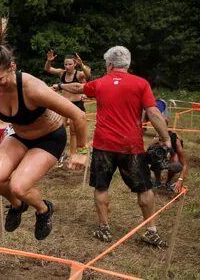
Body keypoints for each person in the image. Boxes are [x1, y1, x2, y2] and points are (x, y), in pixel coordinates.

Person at [0, 17, 88, 241]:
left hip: (49, 138)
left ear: (12, 68)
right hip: (19, 135)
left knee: (18, 186)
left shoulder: (32, 88)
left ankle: (44, 209)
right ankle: (17, 207)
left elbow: (78, 115)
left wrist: (81, 152)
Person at [56, 45, 171, 247]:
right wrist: (166, 138)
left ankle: (104, 228)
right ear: (127, 63)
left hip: (103, 144)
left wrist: (60, 86)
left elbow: (78, 88)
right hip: (132, 146)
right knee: (144, 188)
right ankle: (151, 231)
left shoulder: (100, 83)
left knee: (102, 186)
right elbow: (153, 113)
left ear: (109, 64)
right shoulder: (141, 84)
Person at [44, 50, 91, 161]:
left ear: (74, 64)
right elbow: (48, 69)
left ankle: (73, 154)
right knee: (59, 129)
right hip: (64, 104)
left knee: (74, 132)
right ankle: (60, 153)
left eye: (70, 64)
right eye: (66, 64)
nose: (68, 66)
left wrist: (82, 64)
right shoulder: (62, 73)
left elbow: (88, 75)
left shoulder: (79, 74)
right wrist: (49, 61)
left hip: (77, 104)